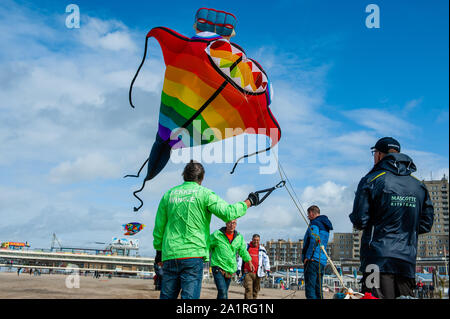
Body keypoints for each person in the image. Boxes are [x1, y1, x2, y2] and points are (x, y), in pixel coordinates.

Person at [153, 160, 261, 299]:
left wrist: (158, 252)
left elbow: (159, 227)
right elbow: (229, 213)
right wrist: (249, 201)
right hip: (192, 256)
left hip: (170, 254)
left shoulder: (169, 195)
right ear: (201, 178)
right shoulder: (205, 194)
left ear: (184, 176)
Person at [349, 137, 434, 299]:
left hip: (377, 258)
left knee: (373, 297)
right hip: (407, 261)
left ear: (379, 155)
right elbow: (426, 224)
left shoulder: (371, 180)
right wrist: (404, 228)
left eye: (374, 153)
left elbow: (360, 220)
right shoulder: (419, 185)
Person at [209, 219, 255, 299]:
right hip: (218, 267)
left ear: (236, 224)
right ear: (226, 223)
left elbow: (243, 251)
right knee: (222, 291)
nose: (231, 225)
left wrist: (249, 262)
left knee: (223, 293)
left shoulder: (239, 237)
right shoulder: (217, 235)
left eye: (234, 223)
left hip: (229, 270)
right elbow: (207, 245)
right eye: (230, 223)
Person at [301, 205, 333, 299]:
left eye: (308, 214)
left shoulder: (315, 223)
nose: (308, 217)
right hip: (321, 261)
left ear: (312, 213)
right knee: (318, 290)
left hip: (313, 259)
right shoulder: (325, 225)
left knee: (310, 290)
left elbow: (314, 238)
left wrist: (308, 256)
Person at [237, 234, 271, 299]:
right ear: (252, 240)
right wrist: (238, 268)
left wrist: (267, 269)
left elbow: (266, 259)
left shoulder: (262, 249)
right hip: (247, 273)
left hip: (258, 273)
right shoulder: (246, 247)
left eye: (257, 240)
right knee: (248, 290)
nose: (256, 241)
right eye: (254, 240)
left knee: (256, 291)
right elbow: (241, 258)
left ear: (259, 241)